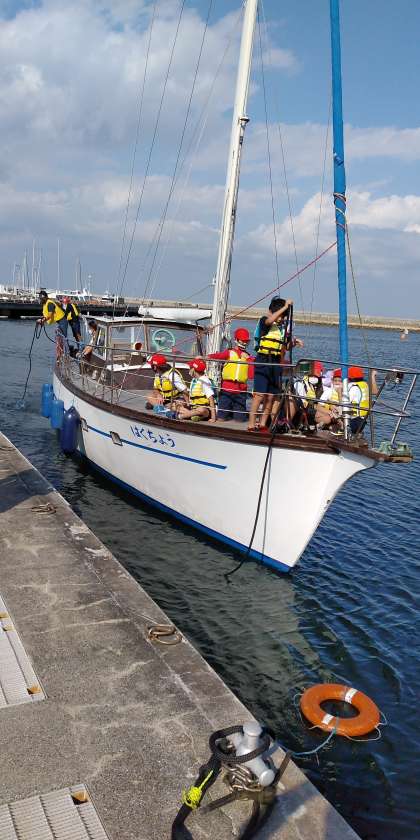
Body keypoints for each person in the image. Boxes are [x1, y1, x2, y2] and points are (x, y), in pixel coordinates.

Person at [248, 297, 301, 431]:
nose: (282, 319)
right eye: (281, 316)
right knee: (259, 395)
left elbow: (286, 347)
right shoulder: (264, 321)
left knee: (271, 396)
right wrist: (285, 307)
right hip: (263, 360)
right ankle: (251, 424)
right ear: (272, 311)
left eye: (284, 317)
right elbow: (269, 321)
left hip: (276, 363)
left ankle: (263, 424)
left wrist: (294, 343)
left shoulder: (282, 329)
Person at [208, 327, 253, 422]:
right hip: (227, 390)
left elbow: (251, 375)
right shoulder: (229, 353)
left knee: (240, 420)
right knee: (221, 418)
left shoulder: (249, 357)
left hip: (241, 391)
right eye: (243, 340)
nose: (245, 343)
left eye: (246, 341)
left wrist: (248, 360)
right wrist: (205, 357)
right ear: (236, 340)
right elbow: (217, 356)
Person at [177, 358, 216, 422]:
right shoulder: (194, 380)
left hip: (205, 409)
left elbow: (211, 398)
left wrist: (213, 417)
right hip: (193, 407)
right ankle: (192, 415)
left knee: (201, 410)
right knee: (176, 405)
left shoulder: (204, 381)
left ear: (193, 370)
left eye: (190, 368)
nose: (189, 369)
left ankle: (180, 416)